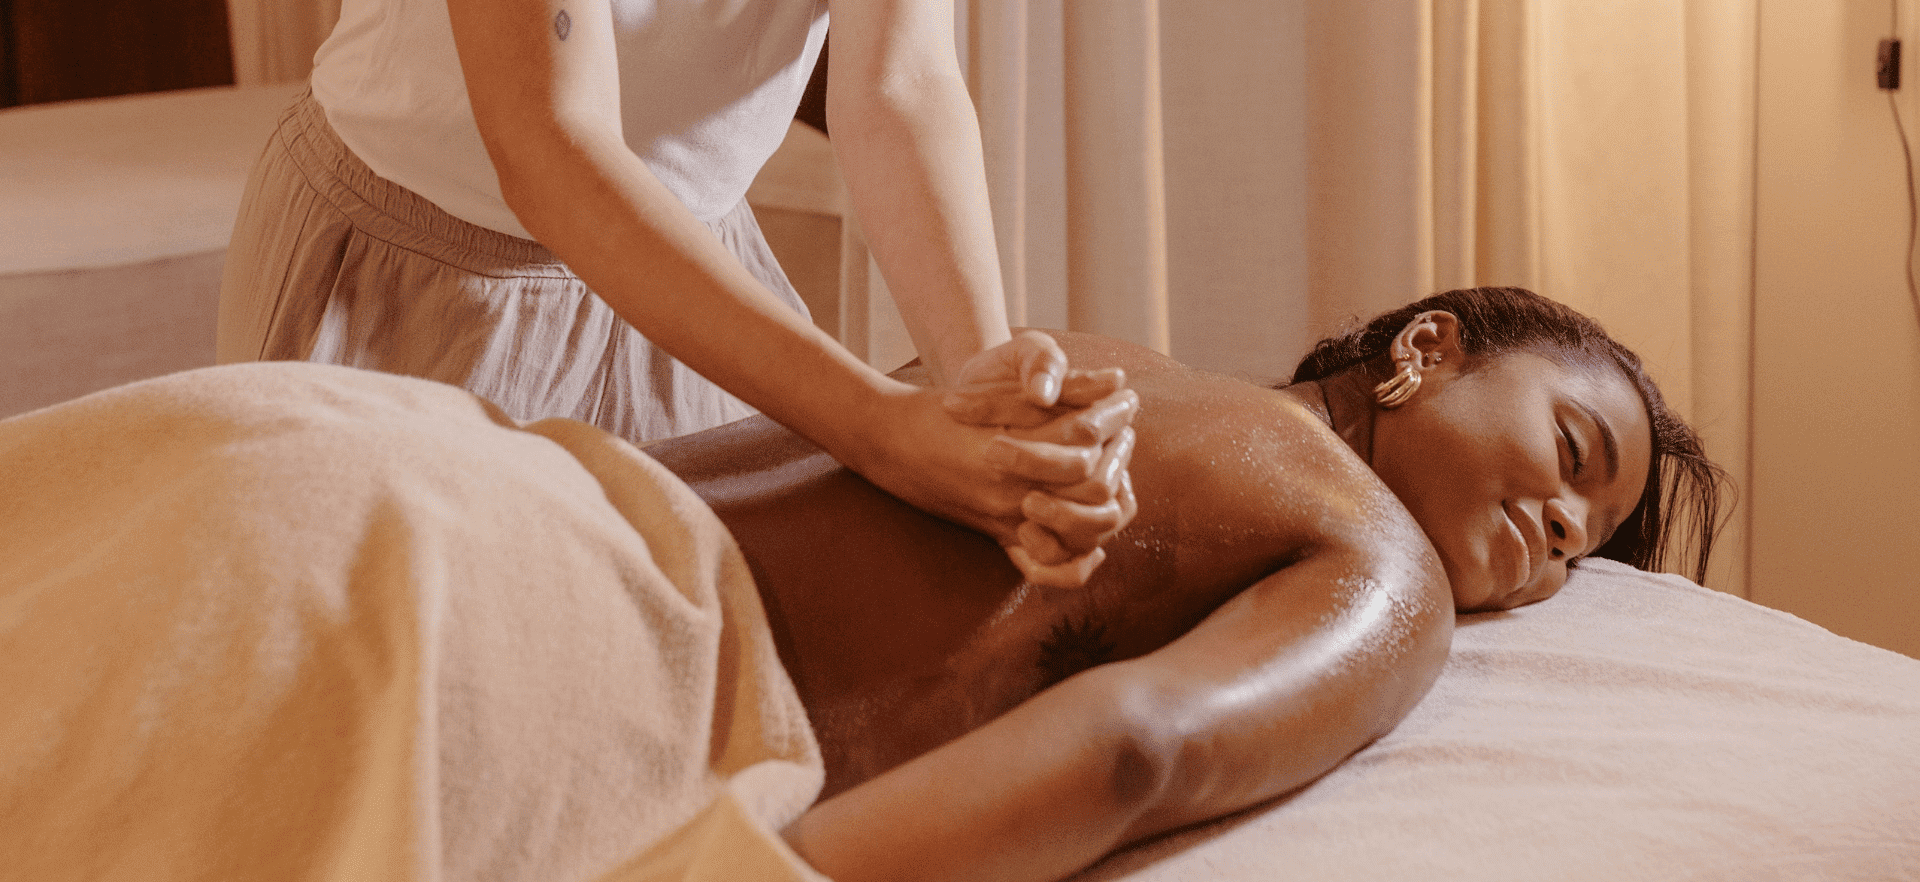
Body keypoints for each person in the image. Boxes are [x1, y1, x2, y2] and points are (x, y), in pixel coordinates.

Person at [1, 286, 1724, 881]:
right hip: (519, 632)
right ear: (1427, 351)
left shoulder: (1097, 354)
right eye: (1575, 458)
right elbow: (1144, 752)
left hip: (390, 463)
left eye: (1590, 547)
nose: (1564, 536)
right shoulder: (1377, 566)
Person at [213, 0, 1134, 585]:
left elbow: (899, 86)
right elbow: (551, 141)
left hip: (689, 282)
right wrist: (879, 428)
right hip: (413, 276)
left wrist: (988, 406)